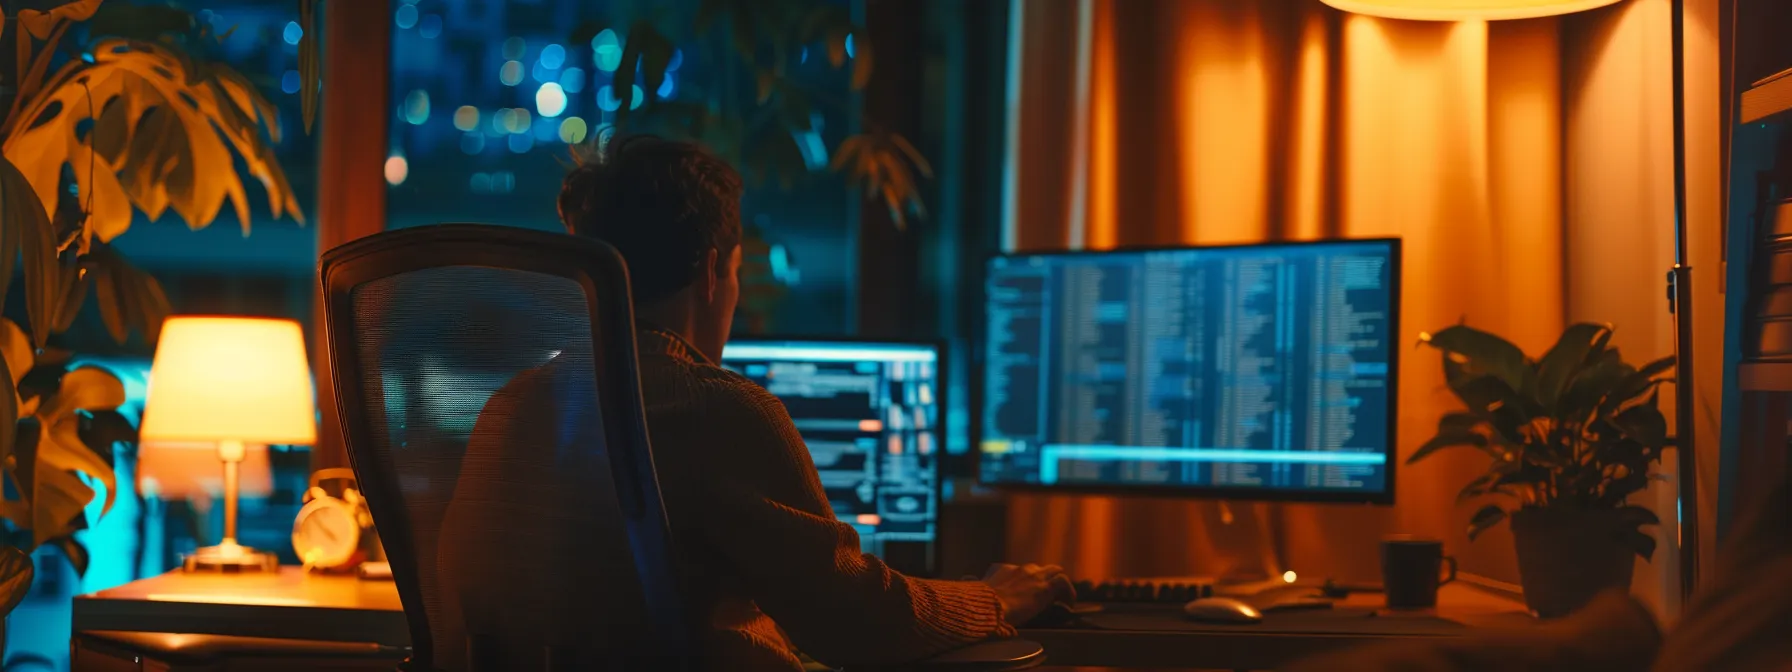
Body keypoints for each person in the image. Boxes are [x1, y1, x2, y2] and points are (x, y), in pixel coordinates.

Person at [542, 134, 1072, 670]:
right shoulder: (718, 410)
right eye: (736, 272)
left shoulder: (515, 407)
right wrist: (993, 599)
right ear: (710, 273)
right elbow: (857, 620)